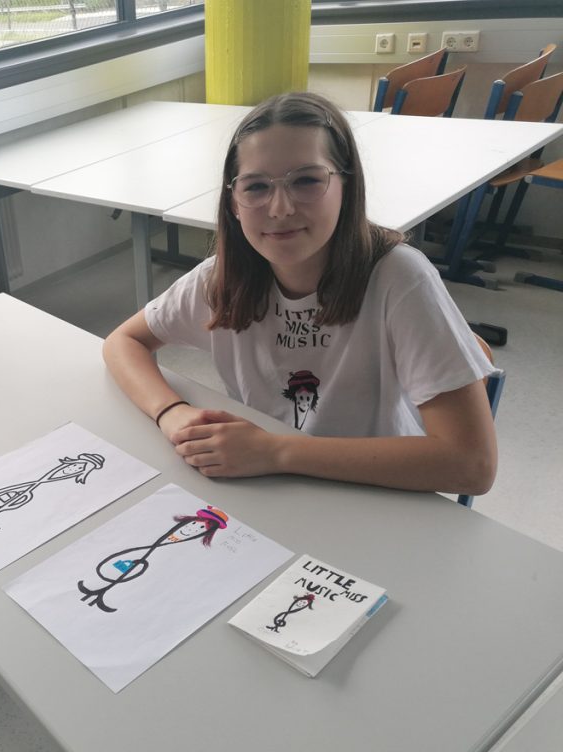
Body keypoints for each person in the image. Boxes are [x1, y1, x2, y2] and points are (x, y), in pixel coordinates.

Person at [103, 91, 496, 497]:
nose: (280, 208)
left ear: (347, 186)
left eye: (307, 180)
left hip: (375, 491)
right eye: (255, 187)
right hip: (271, 486)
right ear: (233, 202)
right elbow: (123, 341)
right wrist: (171, 412)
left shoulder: (399, 277)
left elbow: (472, 465)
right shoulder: (223, 277)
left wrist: (277, 452)